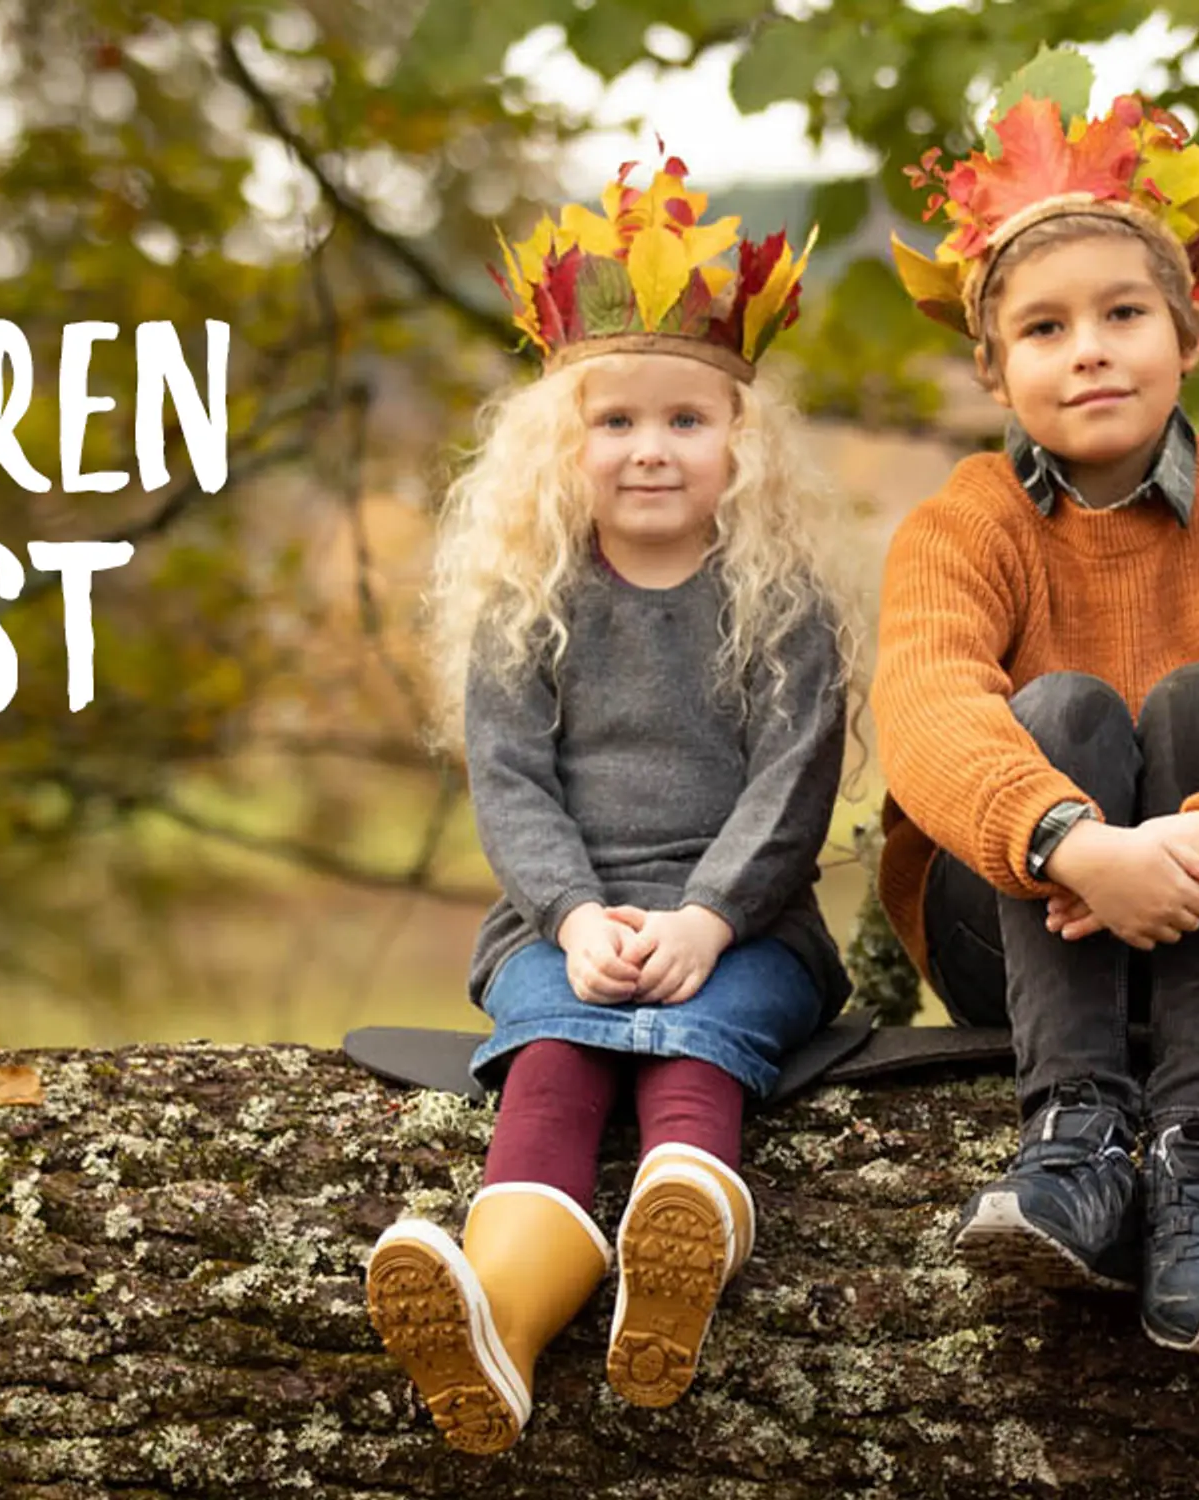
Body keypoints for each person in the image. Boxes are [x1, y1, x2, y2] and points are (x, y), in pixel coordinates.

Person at [874, 56, 1199, 1359]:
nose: (1091, 349)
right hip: (1012, 930)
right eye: (1044, 329)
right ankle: (1075, 1130)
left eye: (1123, 314)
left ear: (1188, 337)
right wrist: (1076, 846)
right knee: (1053, 706)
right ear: (996, 373)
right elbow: (925, 706)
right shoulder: (967, 519)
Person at [364, 158, 851, 1453]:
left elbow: (794, 785)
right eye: (615, 421)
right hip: (559, 924)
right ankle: (503, 1327)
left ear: (742, 444)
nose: (650, 448)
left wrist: (707, 919)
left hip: (743, 927)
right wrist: (576, 918)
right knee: (554, 1063)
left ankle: (677, 1258)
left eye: (687, 421)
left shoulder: (781, 605)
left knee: (698, 1053)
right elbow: (513, 782)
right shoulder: (530, 601)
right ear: (558, 445)